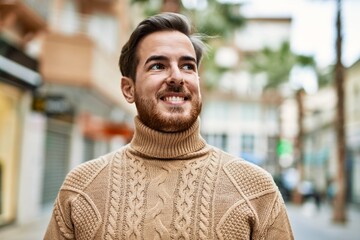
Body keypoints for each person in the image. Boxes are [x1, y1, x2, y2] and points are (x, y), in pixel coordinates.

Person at [44, 12, 294, 239]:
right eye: (158, 66)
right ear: (128, 89)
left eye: (187, 66)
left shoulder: (255, 188)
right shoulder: (80, 187)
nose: (176, 76)